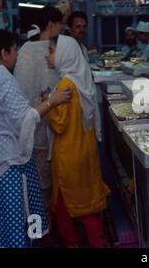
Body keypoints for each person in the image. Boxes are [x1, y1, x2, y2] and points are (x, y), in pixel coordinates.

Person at [0, 29, 72, 247]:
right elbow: (24, 119)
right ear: (4, 53)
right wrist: (53, 101)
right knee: (16, 219)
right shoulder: (1, 76)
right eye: (14, 51)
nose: (16, 57)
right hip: (6, 165)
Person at [46, 35, 110, 247]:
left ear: (65, 55)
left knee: (65, 210)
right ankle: (98, 242)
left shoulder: (65, 84)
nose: (49, 55)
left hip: (68, 157)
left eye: (52, 50)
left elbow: (59, 124)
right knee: (88, 208)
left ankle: (72, 244)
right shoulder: (81, 79)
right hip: (84, 152)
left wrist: (47, 105)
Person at [14, 5, 64, 215]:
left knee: (43, 180)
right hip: (40, 125)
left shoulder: (28, 50)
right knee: (42, 180)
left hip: (41, 124)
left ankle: (46, 223)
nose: (61, 28)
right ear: (51, 25)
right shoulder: (38, 51)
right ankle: (44, 226)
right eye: (60, 23)